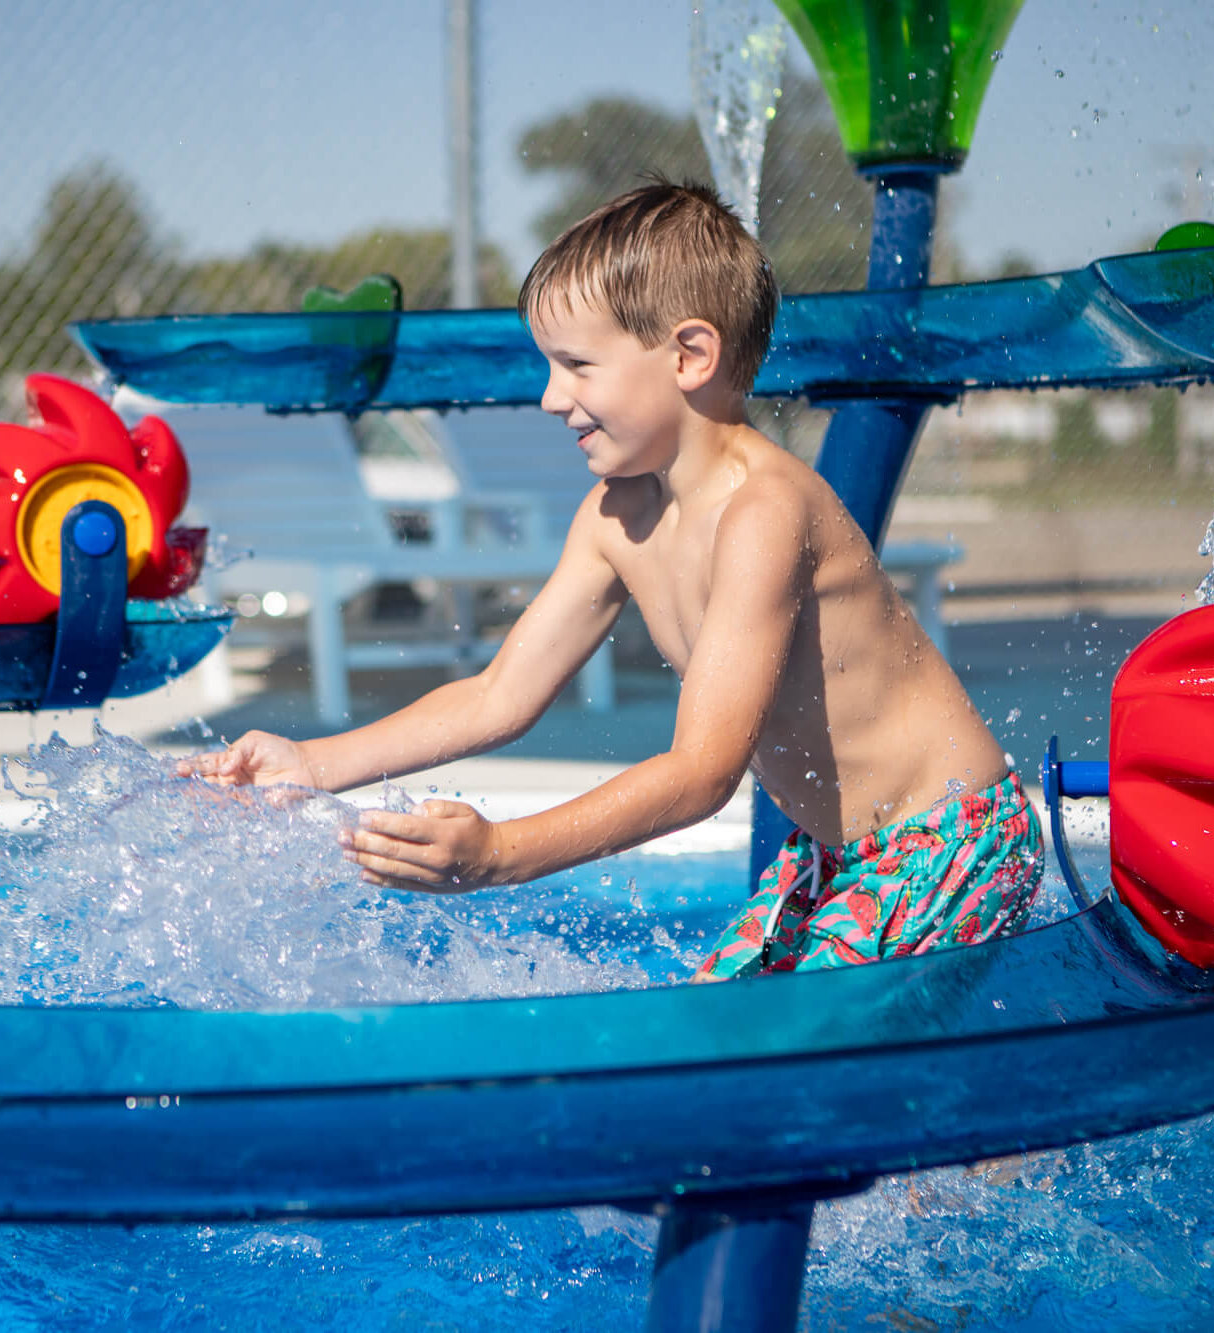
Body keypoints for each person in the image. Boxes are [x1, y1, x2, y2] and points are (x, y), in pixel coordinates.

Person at [180, 181, 1043, 981]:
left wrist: (500, 855)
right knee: (709, 1042)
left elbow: (702, 772)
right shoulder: (613, 516)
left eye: (577, 365)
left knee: (770, 1070)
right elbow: (496, 696)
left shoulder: (764, 514)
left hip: (945, 840)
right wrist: (311, 763)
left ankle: (990, 1152)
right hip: (841, 853)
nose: (551, 397)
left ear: (689, 355)